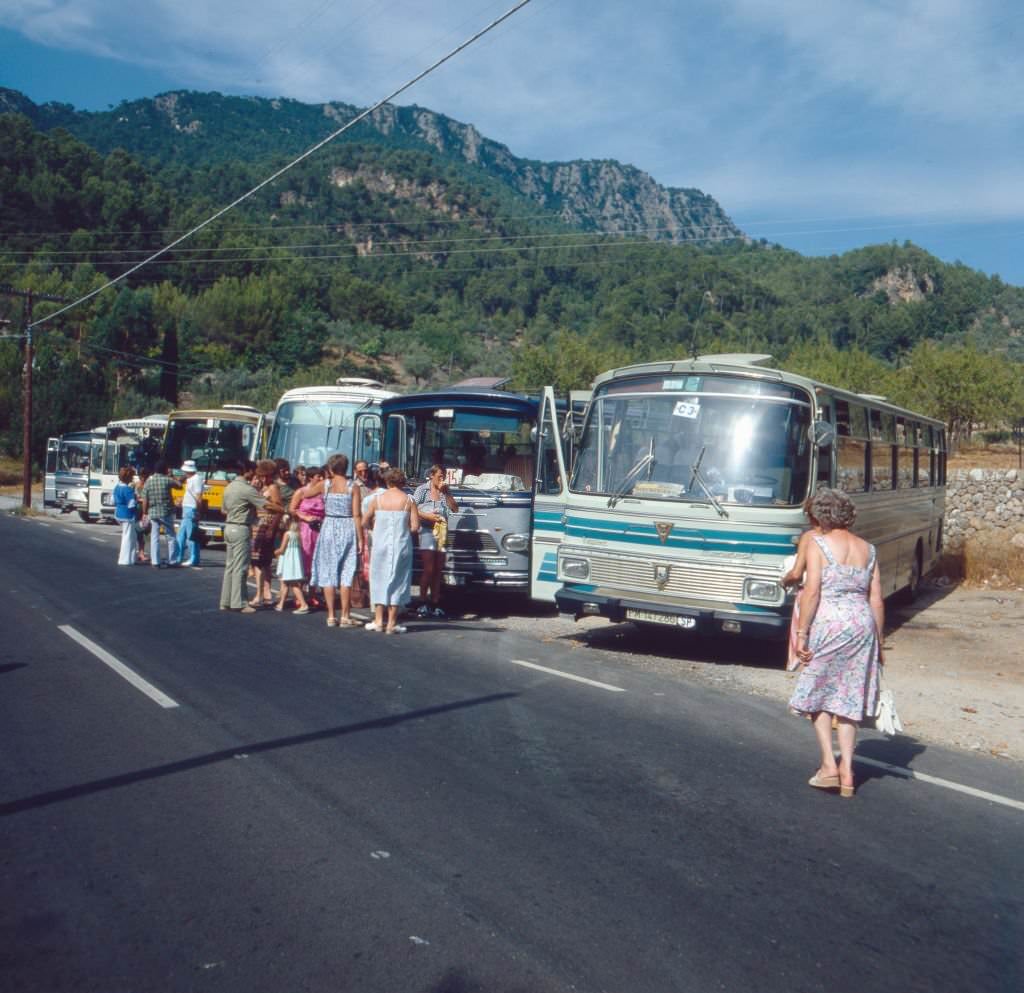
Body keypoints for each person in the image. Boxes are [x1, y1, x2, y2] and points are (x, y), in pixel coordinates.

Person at [788, 487, 884, 798]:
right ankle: (848, 773)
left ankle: (829, 765)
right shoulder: (868, 549)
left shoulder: (817, 543)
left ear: (818, 514)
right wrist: (879, 644)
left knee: (818, 691)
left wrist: (802, 634)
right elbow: (877, 599)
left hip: (829, 622)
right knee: (848, 698)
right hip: (862, 625)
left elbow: (813, 590)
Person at [220, 460, 285, 613]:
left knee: (230, 566)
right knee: (241, 567)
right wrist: (282, 509)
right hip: (241, 527)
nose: (256, 473)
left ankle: (226, 601)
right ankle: (239, 602)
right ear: (248, 471)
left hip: (229, 527)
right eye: (253, 471)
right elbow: (266, 505)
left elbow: (224, 509)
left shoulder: (229, 487)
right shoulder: (246, 489)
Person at [308, 453, 363, 627]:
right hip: (347, 526)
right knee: (346, 573)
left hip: (329, 525)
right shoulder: (352, 486)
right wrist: (360, 539)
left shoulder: (325, 484)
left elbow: (305, 494)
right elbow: (356, 514)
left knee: (328, 570)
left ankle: (331, 616)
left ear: (331, 468)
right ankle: (345, 616)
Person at [363, 467, 419, 634]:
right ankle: (392, 624)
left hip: (380, 545)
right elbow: (415, 527)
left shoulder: (377, 499)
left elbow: (364, 521)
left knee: (378, 578)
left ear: (387, 481)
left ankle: (379, 621)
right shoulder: (409, 500)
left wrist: (375, 527)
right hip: (401, 545)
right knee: (399, 580)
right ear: (402, 481)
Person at [781, 497, 822, 671]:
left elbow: (797, 574)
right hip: (834, 603)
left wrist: (783, 581)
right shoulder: (847, 540)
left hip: (809, 598)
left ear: (812, 516)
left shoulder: (809, 537)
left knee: (803, 655)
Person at [413, 464, 459, 618]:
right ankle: (422, 602)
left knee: (438, 569)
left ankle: (435, 602)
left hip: (442, 532)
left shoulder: (445, 491)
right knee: (429, 568)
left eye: (443, 476)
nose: (442, 478)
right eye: (439, 476)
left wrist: (447, 494)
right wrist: (427, 516)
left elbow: (455, 509)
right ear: (431, 475)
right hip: (427, 530)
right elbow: (413, 508)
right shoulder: (422, 490)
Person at [250, 459, 284, 607]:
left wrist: (272, 528)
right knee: (261, 561)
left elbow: (279, 509)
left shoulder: (273, 488)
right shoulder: (259, 488)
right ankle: (265, 592)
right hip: (257, 526)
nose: (264, 479)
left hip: (266, 525)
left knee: (261, 562)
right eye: (261, 476)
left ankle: (260, 594)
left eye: (267, 476)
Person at [289, 466, 326, 586]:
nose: (321, 478)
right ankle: (300, 592)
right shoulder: (301, 491)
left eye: (322, 476)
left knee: (318, 560)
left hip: (320, 528)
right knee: (305, 558)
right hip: (305, 528)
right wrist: (305, 517)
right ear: (311, 478)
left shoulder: (323, 492)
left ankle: (312, 593)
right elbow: (292, 509)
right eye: (318, 476)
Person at [140, 460, 180, 568]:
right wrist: (172, 476)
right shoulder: (167, 480)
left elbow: (145, 499)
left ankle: (155, 561)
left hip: (153, 512)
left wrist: (144, 512)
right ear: (165, 470)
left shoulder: (149, 481)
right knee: (171, 536)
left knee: (154, 537)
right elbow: (179, 486)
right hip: (166, 512)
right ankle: (172, 560)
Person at [274, 519, 310, 613]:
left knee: (293, 583)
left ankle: (303, 604)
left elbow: (282, 549)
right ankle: (281, 604)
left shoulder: (287, 534)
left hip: (288, 561)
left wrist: (274, 552)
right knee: (286, 583)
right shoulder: (298, 535)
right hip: (294, 561)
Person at [174, 459, 204, 568]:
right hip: (187, 508)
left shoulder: (196, 479)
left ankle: (193, 558)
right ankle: (178, 556)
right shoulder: (190, 479)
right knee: (181, 535)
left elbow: (198, 497)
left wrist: (197, 511)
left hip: (191, 509)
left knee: (191, 536)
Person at [113, 466, 138, 566]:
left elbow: (112, 500)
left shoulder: (117, 487)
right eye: (132, 476)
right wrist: (136, 500)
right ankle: (124, 559)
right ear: (128, 478)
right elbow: (131, 504)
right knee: (128, 537)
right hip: (127, 515)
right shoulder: (128, 489)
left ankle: (131, 558)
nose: (132, 478)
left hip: (118, 513)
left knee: (131, 536)